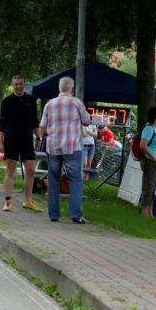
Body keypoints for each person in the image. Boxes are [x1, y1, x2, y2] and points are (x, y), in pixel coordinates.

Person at [39, 76, 90, 224]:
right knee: (75, 181)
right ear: (72, 90)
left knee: (54, 180)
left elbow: (42, 126)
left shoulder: (49, 104)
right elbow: (87, 121)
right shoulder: (77, 103)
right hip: (72, 147)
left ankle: (54, 215)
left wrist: (43, 138)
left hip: (53, 147)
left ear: (59, 88)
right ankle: (76, 215)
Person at [0, 74, 42, 212]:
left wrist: (38, 138)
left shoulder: (31, 100)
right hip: (11, 138)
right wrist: (0, 141)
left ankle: (28, 200)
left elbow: (35, 121)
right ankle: (7, 201)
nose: (18, 86)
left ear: (24, 84)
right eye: (16, 84)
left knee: (30, 169)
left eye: (20, 84)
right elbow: (2, 123)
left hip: (27, 139)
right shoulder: (7, 101)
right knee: (10, 169)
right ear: (12, 85)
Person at [139, 105, 156, 217]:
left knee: (153, 188)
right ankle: (144, 213)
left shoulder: (155, 128)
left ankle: (150, 213)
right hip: (151, 162)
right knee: (148, 188)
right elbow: (143, 146)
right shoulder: (149, 129)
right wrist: (153, 157)